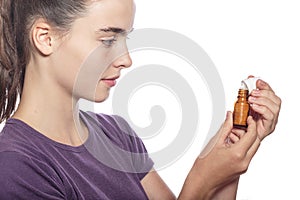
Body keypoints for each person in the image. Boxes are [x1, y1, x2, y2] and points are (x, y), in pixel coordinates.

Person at [0, 0, 281, 199]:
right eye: (109, 40)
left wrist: (228, 161)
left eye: (125, 40)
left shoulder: (117, 135)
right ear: (45, 38)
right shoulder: (16, 168)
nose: (126, 59)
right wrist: (201, 178)